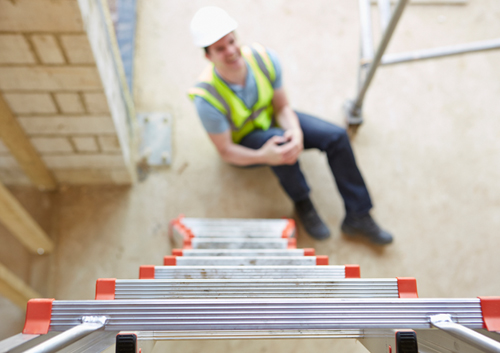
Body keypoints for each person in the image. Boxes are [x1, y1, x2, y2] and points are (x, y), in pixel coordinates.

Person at [188, 6, 393, 244]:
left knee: (336, 137)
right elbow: (226, 151)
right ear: (208, 56)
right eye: (220, 49)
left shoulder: (264, 60)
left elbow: (282, 107)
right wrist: (264, 156)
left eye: (232, 42)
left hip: (274, 121)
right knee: (280, 144)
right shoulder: (207, 98)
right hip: (246, 144)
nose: (231, 51)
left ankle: (359, 214)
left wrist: (295, 131)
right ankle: (302, 201)